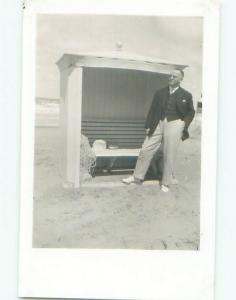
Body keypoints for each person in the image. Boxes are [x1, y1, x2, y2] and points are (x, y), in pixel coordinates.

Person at [122, 69, 195, 192]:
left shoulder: (186, 95)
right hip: (158, 123)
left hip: (175, 122)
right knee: (145, 149)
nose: (171, 78)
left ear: (181, 78)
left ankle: (166, 182)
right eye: (170, 75)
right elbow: (152, 110)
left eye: (174, 76)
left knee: (169, 153)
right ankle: (137, 177)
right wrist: (148, 126)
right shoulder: (160, 93)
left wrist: (184, 125)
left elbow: (191, 112)